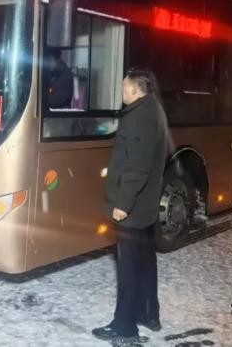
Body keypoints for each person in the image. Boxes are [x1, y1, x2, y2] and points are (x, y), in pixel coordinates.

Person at [93, 68, 168, 345]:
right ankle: (148, 314)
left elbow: (137, 166)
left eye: (125, 87)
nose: (122, 90)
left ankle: (124, 328)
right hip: (145, 206)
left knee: (129, 268)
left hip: (133, 209)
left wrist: (123, 203)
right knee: (145, 261)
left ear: (135, 90)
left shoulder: (139, 117)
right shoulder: (153, 109)